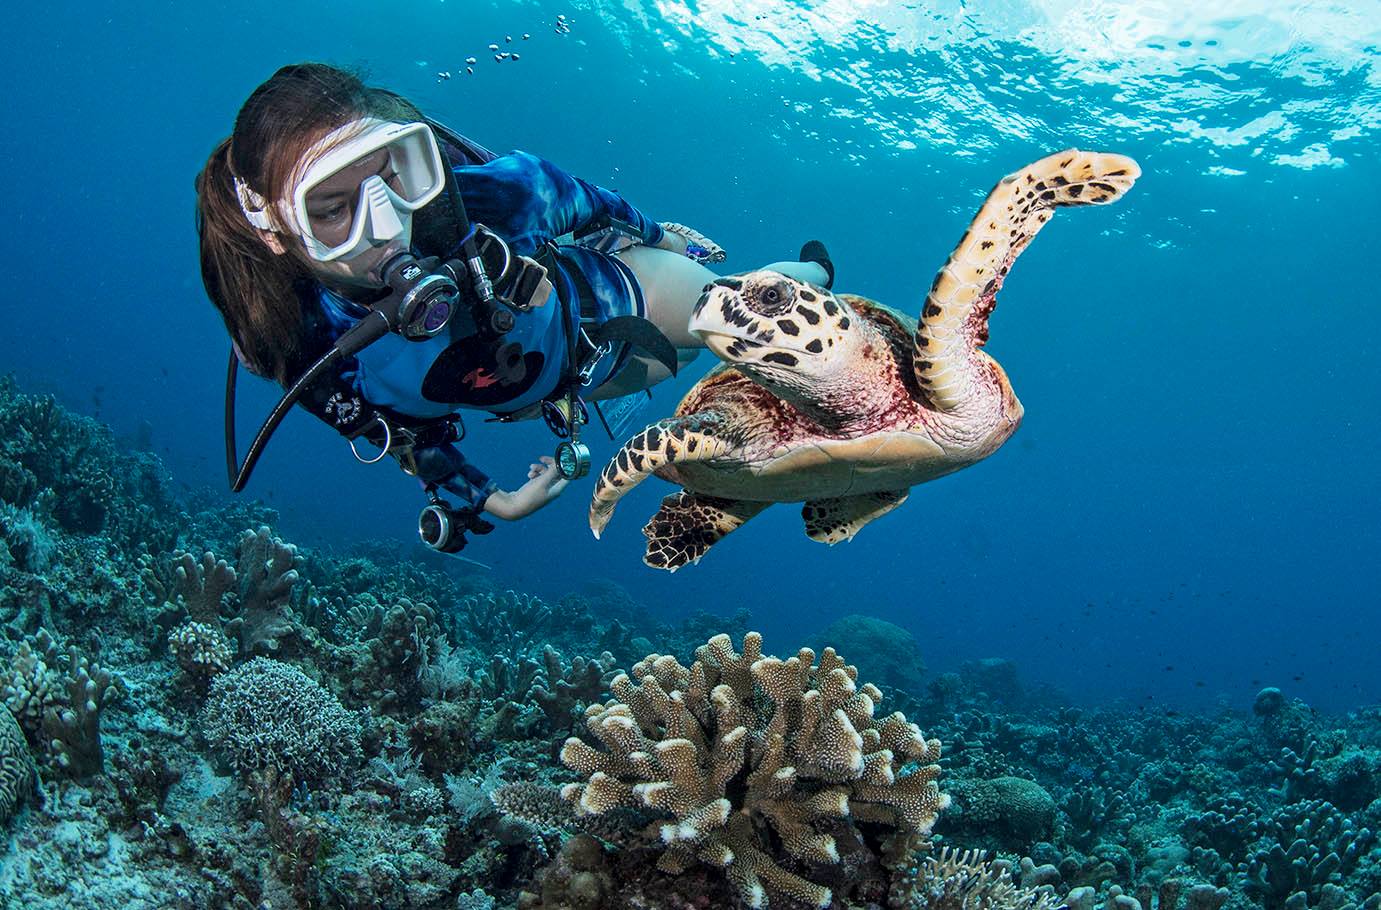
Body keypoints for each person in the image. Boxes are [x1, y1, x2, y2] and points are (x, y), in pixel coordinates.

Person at [196, 63, 832, 550]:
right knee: (688, 364)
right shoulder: (297, 343)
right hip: (577, 383)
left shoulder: (481, 199)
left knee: (746, 309)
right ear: (273, 228)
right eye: (333, 210)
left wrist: (656, 234)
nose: (387, 226)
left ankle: (816, 269)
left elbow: (570, 193)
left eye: (392, 178)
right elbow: (398, 435)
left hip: (611, 298)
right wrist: (493, 501)